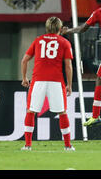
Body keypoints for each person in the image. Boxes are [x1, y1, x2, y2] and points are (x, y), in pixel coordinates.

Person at [20, 17, 74, 151]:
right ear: (60, 29)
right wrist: (69, 84)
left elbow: (24, 60)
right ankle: (67, 146)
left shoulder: (38, 40)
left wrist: (24, 78)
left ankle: (27, 145)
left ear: (47, 28)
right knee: (62, 112)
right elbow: (68, 66)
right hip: (56, 81)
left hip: (38, 80)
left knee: (31, 111)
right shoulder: (64, 42)